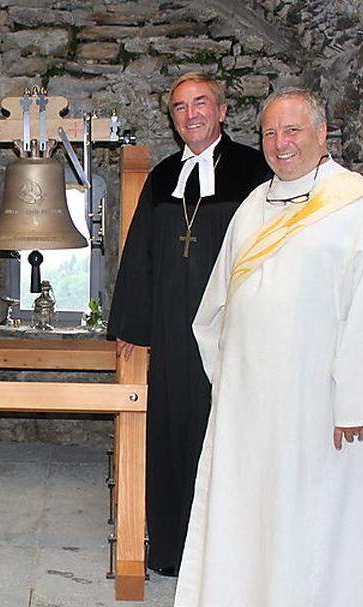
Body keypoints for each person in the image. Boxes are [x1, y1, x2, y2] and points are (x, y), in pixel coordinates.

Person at [174, 87, 363, 607]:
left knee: (303, 515)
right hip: (251, 395)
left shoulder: (359, 207)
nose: (281, 144)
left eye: (294, 131)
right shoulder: (254, 205)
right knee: (246, 508)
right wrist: (229, 379)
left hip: (317, 399)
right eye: (272, 133)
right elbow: (218, 303)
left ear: (322, 134)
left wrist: (355, 402)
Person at [107, 71, 271, 576]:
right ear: (172, 118)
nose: (191, 114)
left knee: (226, 436)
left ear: (222, 111)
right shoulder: (160, 176)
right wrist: (133, 329)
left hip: (234, 329)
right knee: (173, 432)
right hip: (174, 332)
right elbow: (139, 255)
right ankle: (173, 550)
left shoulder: (256, 170)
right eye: (180, 107)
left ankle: (225, 561)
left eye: (201, 103)